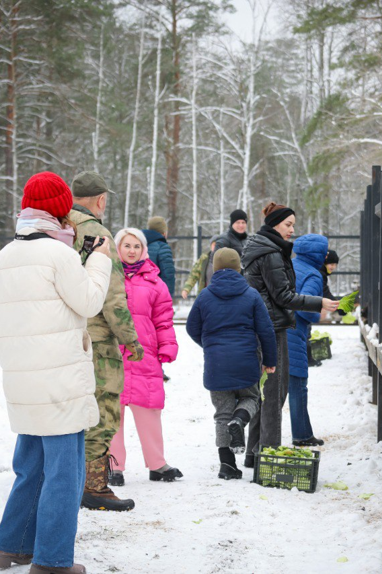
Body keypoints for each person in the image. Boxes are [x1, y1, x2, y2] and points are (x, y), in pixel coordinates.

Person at [0, 171, 115, 574]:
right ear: (61, 209)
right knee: (64, 474)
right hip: (59, 382)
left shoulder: (2, 257)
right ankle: (53, 561)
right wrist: (98, 260)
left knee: (32, 467)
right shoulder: (59, 255)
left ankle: (11, 547)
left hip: (23, 380)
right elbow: (90, 301)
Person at [240, 202, 339, 468]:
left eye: (293, 225)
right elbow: (282, 295)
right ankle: (270, 455)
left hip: (266, 323)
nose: (292, 230)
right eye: (288, 224)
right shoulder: (271, 252)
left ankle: (254, 454)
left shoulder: (262, 247)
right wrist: (318, 302)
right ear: (274, 224)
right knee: (274, 392)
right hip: (271, 326)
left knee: (268, 391)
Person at [67, 171, 142, 512]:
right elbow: (112, 296)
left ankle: (67, 479)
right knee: (103, 408)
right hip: (96, 338)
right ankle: (94, 485)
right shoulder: (96, 232)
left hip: (64, 335)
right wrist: (131, 338)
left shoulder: (58, 226)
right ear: (100, 199)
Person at [186, 248, 278, 479]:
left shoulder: (205, 296)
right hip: (246, 361)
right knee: (251, 398)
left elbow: (191, 327)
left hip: (216, 365)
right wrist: (269, 360)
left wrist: (209, 345)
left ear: (214, 268)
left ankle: (227, 465)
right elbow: (266, 330)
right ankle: (241, 419)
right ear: (240, 268)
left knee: (221, 414)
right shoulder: (251, 295)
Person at [107, 228, 182, 483]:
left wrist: (167, 345)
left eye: (136, 246)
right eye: (127, 246)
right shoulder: (107, 276)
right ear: (118, 248)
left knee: (149, 409)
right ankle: (114, 466)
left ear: (144, 250)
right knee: (112, 412)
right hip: (113, 354)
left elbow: (163, 319)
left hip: (143, 353)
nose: (131, 251)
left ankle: (158, 464)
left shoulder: (154, 282)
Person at [286, 234, 329, 447]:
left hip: (276, 329)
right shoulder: (313, 275)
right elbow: (305, 305)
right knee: (298, 386)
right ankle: (302, 435)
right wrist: (318, 314)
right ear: (317, 254)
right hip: (294, 333)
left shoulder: (288, 264)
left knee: (272, 390)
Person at [205, 209, 250, 286]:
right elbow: (215, 260)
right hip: (230, 283)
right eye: (238, 222)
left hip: (246, 284)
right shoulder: (224, 239)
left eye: (243, 222)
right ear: (232, 223)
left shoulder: (249, 240)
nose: (241, 225)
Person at [143, 216, 176, 299]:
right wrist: (168, 298)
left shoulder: (138, 244)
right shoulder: (163, 247)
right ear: (164, 233)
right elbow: (168, 275)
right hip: (156, 294)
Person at [181, 235, 221, 299]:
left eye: (218, 245)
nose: (216, 247)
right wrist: (186, 289)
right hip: (206, 296)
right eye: (214, 244)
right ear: (211, 246)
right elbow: (193, 275)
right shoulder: (203, 260)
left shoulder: (225, 260)